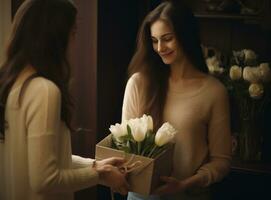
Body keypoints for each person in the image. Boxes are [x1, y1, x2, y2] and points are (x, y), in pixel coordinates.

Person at [0, 0, 129, 200]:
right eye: (73, 33)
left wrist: (96, 166)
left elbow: (46, 160)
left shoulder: (10, 84)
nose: (73, 42)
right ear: (55, 37)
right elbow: (44, 179)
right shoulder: (44, 90)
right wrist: (98, 175)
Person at [122, 0, 232, 199]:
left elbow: (221, 161)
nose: (160, 47)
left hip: (189, 195)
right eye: (154, 41)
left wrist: (184, 185)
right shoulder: (138, 83)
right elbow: (126, 147)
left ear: (186, 36)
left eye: (167, 38)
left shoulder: (214, 91)